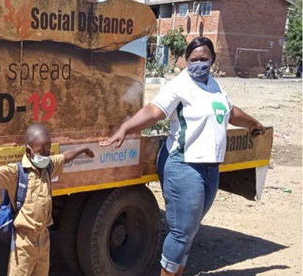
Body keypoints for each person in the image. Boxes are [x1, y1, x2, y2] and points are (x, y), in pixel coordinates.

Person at [101, 36, 265, 276]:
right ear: (186, 60)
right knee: (181, 231)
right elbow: (155, 110)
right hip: (184, 166)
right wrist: (127, 127)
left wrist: (253, 123)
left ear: (212, 60)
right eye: (194, 59)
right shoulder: (180, 85)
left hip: (210, 169)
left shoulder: (216, 86)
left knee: (190, 229)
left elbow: (230, 112)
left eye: (204, 59)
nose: (199, 64)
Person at [0, 123, 94, 276]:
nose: (45, 154)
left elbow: (65, 157)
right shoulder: (16, 172)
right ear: (28, 151)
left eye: (48, 150)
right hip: (24, 241)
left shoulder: (48, 167)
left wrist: (82, 149)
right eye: (41, 151)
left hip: (43, 238)